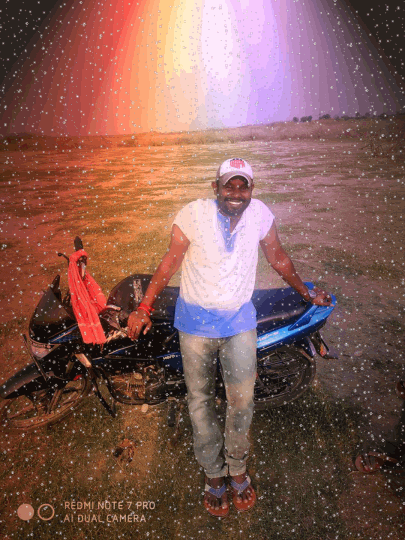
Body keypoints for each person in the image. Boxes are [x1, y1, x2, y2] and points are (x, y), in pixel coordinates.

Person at [127, 157, 332, 517]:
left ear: (251, 189)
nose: (236, 193)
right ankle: (212, 473)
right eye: (229, 185)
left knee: (241, 401)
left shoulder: (260, 215)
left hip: (239, 324)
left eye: (243, 186)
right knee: (200, 401)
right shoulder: (193, 214)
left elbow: (278, 258)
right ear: (216, 187)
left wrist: (306, 293)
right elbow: (169, 262)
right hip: (194, 326)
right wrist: (144, 306)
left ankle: (237, 467)